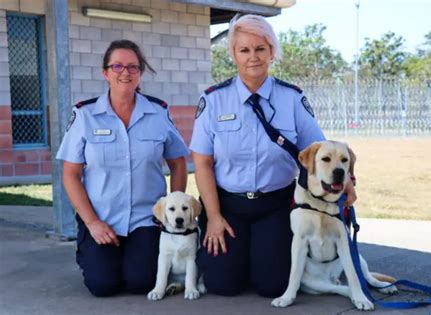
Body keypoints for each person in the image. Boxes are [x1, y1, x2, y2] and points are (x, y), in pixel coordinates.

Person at [190, 14, 357, 298]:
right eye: (244, 50)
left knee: (273, 286)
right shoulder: (214, 100)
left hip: (276, 205)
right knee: (223, 285)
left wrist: (348, 181)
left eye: (260, 49)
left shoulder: (291, 99)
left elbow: (320, 151)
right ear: (233, 54)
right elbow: (202, 162)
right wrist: (214, 216)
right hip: (228, 206)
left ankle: (257, 259)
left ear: (271, 51)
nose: (252, 57)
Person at [56, 40, 189, 297]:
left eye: (132, 67)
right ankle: (91, 251)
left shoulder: (158, 112)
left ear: (140, 73)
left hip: (146, 220)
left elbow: (178, 162)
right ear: (105, 72)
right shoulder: (85, 115)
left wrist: (173, 208)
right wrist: (92, 222)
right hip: (102, 219)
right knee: (103, 286)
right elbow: (70, 174)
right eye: (117, 66)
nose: (124, 72)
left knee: (141, 283)